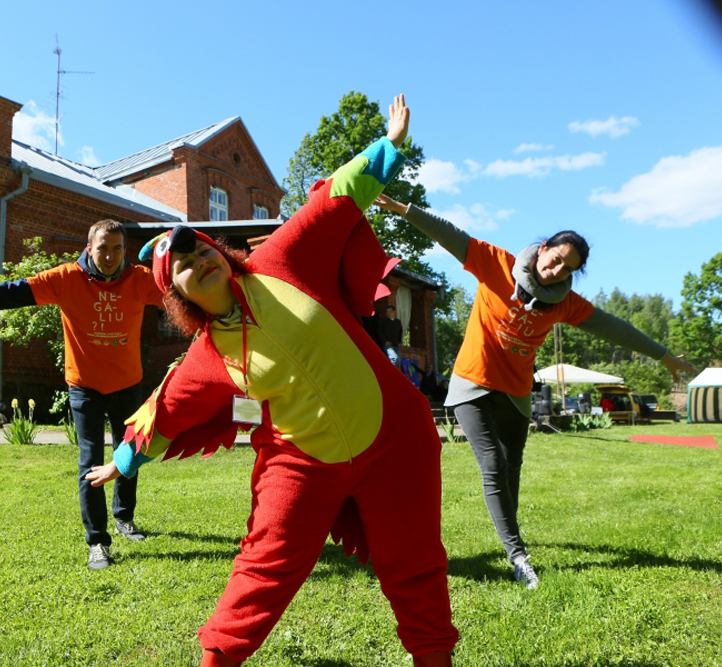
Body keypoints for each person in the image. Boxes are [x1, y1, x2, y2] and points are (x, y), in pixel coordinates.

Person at [86, 95, 458, 667]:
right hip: (302, 461)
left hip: (396, 439)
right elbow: (165, 412)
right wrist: (121, 462)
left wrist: (389, 145)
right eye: (182, 266)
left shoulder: (284, 258)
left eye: (201, 247)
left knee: (415, 565)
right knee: (264, 565)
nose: (198, 260)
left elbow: (337, 198)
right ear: (177, 295)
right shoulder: (204, 357)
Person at [374, 193, 695, 590]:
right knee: (493, 464)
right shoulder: (496, 263)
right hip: (473, 382)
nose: (557, 271)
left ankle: (509, 532)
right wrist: (405, 210)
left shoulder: (564, 304)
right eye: (556, 259)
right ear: (543, 249)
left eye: (567, 269)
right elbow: (451, 235)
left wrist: (663, 356)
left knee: (512, 467)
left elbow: (614, 327)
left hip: (516, 391)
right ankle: (517, 555)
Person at [0, 219, 163, 570]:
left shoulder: (140, 280)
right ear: (90, 248)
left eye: (117, 249)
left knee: (127, 452)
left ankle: (124, 517)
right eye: (103, 248)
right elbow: (8, 293)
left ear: (125, 251)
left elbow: (185, 296)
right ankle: (97, 542)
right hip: (85, 386)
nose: (110, 256)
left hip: (128, 384)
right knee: (90, 459)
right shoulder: (66, 278)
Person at [379, 305, 404, 369]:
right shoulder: (383, 321)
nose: (388, 313)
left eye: (390, 311)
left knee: (398, 360)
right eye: (387, 311)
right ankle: (392, 371)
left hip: (396, 344)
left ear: (394, 312)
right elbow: (380, 331)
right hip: (388, 345)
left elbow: (400, 332)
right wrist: (385, 341)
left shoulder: (397, 322)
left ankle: (397, 373)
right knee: (393, 358)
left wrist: (399, 342)